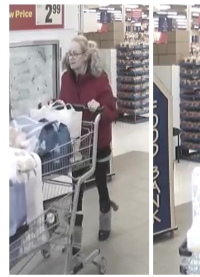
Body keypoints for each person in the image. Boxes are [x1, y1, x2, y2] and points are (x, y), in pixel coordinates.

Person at [59, 35, 118, 252]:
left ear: (85, 57)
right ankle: (75, 239)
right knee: (77, 189)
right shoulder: (66, 78)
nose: (71, 57)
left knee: (101, 182)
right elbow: (63, 103)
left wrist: (99, 107)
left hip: (97, 143)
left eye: (75, 54)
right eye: (69, 53)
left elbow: (113, 112)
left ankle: (105, 220)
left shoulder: (99, 78)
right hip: (77, 144)